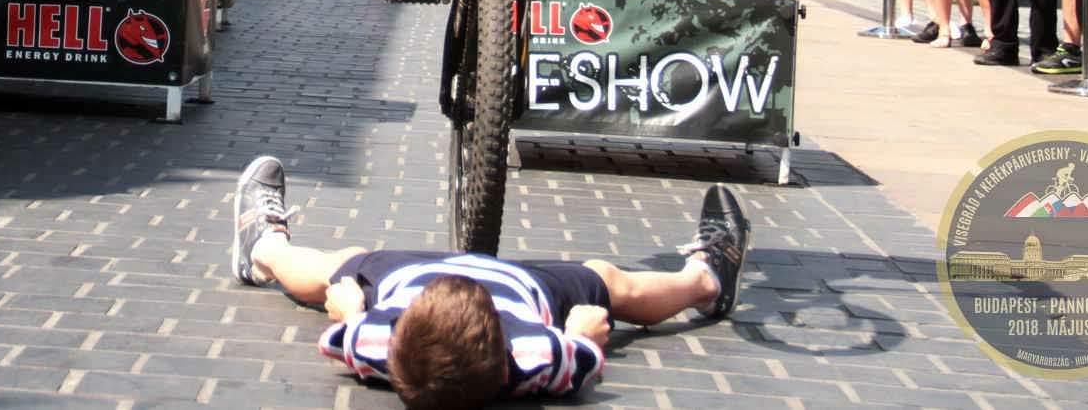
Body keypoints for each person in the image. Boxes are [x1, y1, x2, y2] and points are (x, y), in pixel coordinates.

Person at [229, 156, 749, 406]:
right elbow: (584, 350)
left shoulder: (377, 342)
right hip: (528, 287)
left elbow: (341, 332)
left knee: (340, 265)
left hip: (407, 276)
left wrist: (349, 309)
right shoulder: (538, 355)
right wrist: (583, 333)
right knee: (611, 281)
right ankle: (706, 279)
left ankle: (264, 248)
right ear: (504, 355)